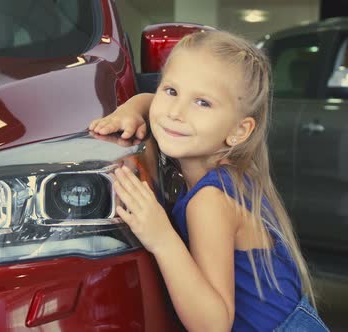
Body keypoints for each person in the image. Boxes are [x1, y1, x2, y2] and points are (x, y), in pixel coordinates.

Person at [89, 30, 329, 332]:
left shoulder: (210, 201)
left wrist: (161, 237)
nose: (176, 112)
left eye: (202, 103)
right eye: (172, 91)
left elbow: (213, 325)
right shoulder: (230, 173)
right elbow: (157, 103)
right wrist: (133, 107)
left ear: (240, 131)